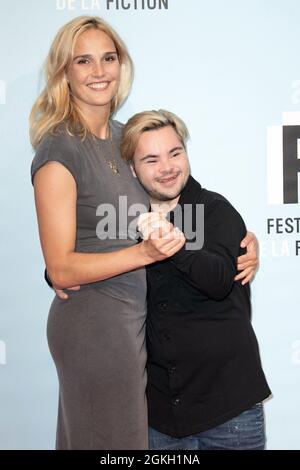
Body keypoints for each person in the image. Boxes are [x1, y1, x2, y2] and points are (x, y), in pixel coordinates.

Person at [30, 16, 258, 450]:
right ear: (65, 71)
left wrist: (239, 245)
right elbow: (60, 267)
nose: (99, 72)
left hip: (134, 329)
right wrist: (145, 254)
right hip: (95, 327)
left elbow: (168, 206)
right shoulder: (59, 147)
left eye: (108, 58)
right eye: (84, 61)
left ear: (122, 64)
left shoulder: (123, 138)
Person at [120, 109, 271, 450]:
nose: (168, 167)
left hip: (229, 412)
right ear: (132, 168)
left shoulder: (216, 210)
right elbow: (88, 266)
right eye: (152, 159)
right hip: (158, 417)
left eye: (175, 153)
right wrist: (58, 274)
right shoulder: (123, 219)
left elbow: (218, 280)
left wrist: (169, 242)